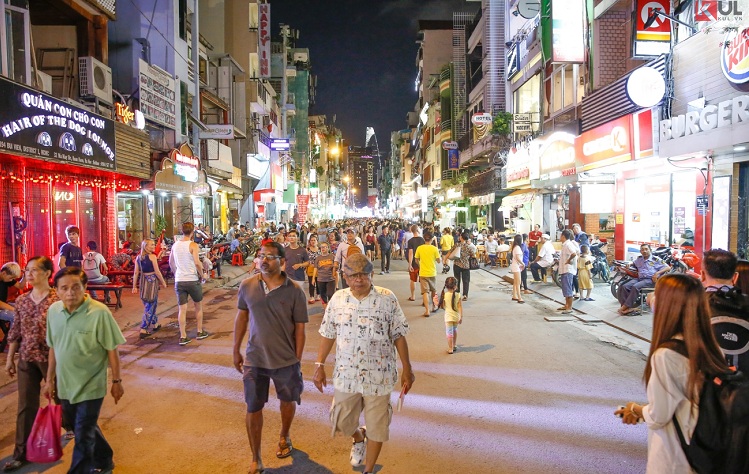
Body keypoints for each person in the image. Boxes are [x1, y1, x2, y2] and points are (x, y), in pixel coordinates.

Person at [615, 274, 731, 473]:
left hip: (677, 454)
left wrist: (636, 409)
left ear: (669, 305)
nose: (651, 299)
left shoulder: (666, 355)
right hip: (706, 447)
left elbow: (660, 415)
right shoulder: (712, 347)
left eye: (656, 295)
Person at [313, 254, 415, 474]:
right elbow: (328, 333)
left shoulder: (388, 299)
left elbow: (398, 335)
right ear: (345, 277)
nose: (358, 279)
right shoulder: (338, 300)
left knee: (378, 427)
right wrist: (319, 365)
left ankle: (368, 469)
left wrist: (407, 368)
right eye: (353, 275)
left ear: (372, 274)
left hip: (380, 376)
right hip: (346, 374)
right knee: (340, 419)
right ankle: (359, 438)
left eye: (363, 274)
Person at [232, 242, 308, 474]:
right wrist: (236, 348)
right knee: (253, 407)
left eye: (270, 257)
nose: (263, 260)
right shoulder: (247, 286)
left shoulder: (294, 290)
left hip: (285, 360)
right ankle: (256, 458)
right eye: (261, 256)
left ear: (282, 261)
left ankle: (284, 435)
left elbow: (300, 329)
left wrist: (296, 359)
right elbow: (242, 318)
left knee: (288, 401)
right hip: (255, 360)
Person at [45, 266, 126, 474]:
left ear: (85, 287)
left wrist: (117, 381)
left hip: (91, 385)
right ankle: (104, 458)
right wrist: (49, 379)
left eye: (76, 287)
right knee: (82, 427)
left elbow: (111, 349)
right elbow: (54, 347)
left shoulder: (99, 312)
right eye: (64, 288)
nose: (70, 293)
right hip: (65, 385)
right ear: (56, 290)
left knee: (83, 434)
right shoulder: (53, 312)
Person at [3, 257, 60, 472]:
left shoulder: (57, 300)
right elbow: (15, 331)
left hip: (52, 359)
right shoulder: (22, 300)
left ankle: (71, 425)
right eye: (27, 270)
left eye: (34, 270)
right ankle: (21, 453)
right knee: (26, 405)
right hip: (27, 358)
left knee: (62, 397)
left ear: (47, 273)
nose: (28, 273)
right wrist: (10, 358)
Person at [700, 249, 749, 370]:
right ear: (735, 277)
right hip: (743, 382)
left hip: (703, 379)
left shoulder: (692, 304)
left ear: (702, 275)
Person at [169, 222, 208, 346]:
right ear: (192, 232)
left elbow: (171, 262)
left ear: (182, 231)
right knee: (198, 306)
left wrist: (177, 273)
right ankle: (200, 331)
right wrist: (203, 275)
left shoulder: (175, 245)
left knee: (182, 309)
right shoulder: (193, 245)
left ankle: (183, 336)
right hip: (192, 279)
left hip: (179, 280)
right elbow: (197, 262)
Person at [617, 244, 670, 315]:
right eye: (642, 250)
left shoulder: (656, 259)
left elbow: (668, 267)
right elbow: (633, 263)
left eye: (646, 249)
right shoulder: (639, 259)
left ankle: (624, 307)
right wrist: (630, 263)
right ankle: (627, 308)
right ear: (640, 251)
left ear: (650, 250)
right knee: (625, 286)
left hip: (650, 280)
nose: (644, 251)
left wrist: (657, 273)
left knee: (635, 287)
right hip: (640, 279)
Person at [132, 239, 168, 339]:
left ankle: (155, 323)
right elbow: (157, 271)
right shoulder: (152, 257)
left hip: (143, 282)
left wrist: (134, 286)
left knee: (149, 304)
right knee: (151, 304)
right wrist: (163, 282)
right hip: (152, 282)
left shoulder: (138, 258)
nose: (153, 246)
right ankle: (143, 328)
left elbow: (136, 273)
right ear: (145, 246)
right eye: (151, 245)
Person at [414, 230, 441, 317]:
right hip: (432, 272)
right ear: (432, 239)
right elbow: (439, 260)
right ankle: (435, 306)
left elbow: (416, 259)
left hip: (423, 273)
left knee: (425, 292)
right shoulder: (434, 249)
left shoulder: (419, 248)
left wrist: (420, 264)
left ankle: (427, 310)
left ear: (424, 239)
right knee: (434, 290)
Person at [0, 262, 23, 346]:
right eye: (11, 278)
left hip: (3, 305)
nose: (11, 280)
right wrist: (14, 309)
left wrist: (25, 276)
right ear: (4, 273)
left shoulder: (5, 278)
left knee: (23, 308)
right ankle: (13, 342)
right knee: (15, 315)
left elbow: (21, 286)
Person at [449, 232, 476, 301]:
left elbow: (450, 252)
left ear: (461, 238)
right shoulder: (468, 247)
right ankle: (465, 295)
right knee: (466, 281)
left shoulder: (457, 245)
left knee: (457, 280)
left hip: (457, 265)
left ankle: (457, 294)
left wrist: (445, 259)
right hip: (466, 266)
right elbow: (473, 255)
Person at [440, 276, 463, 354]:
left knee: (449, 333)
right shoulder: (458, 295)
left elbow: (442, 306)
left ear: (446, 286)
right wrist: (460, 316)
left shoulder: (445, 295)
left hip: (448, 317)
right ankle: (454, 345)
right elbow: (460, 306)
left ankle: (450, 348)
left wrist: (435, 301)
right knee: (454, 330)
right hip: (456, 317)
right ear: (455, 286)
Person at [558, 229, 578, 314]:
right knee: (565, 288)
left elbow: (574, 253)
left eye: (560, 235)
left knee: (568, 288)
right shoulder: (565, 245)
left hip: (568, 270)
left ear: (563, 236)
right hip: (564, 269)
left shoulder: (568, 244)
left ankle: (569, 307)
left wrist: (568, 260)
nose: (560, 237)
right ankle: (566, 305)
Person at [312, 242, 336, 311]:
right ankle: (326, 310)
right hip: (321, 279)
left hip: (330, 279)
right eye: (321, 247)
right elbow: (315, 268)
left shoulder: (332, 257)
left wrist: (335, 277)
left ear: (328, 248)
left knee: (330, 294)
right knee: (323, 295)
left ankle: (332, 309)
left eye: (324, 247)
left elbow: (335, 268)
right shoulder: (318, 258)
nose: (323, 248)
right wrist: (313, 278)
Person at [406, 225, 425, 302]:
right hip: (422, 262)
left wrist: (410, 264)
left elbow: (410, 253)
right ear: (418, 230)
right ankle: (424, 297)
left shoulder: (410, 241)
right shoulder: (422, 240)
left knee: (413, 280)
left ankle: (413, 296)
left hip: (414, 263)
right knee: (423, 280)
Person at [305, 234, 321, 304]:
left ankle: (318, 294)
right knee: (311, 282)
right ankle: (311, 296)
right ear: (309, 241)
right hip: (310, 268)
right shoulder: (307, 250)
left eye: (314, 240)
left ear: (317, 241)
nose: (313, 241)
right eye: (311, 240)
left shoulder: (320, 249)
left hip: (319, 268)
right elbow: (305, 259)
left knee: (319, 282)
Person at [510, 234, 526, 304]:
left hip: (515, 265)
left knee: (515, 282)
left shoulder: (515, 247)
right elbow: (517, 258)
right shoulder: (517, 248)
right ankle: (519, 297)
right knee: (518, 282)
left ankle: (514, 295)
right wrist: (523, 263)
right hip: (516, 266)